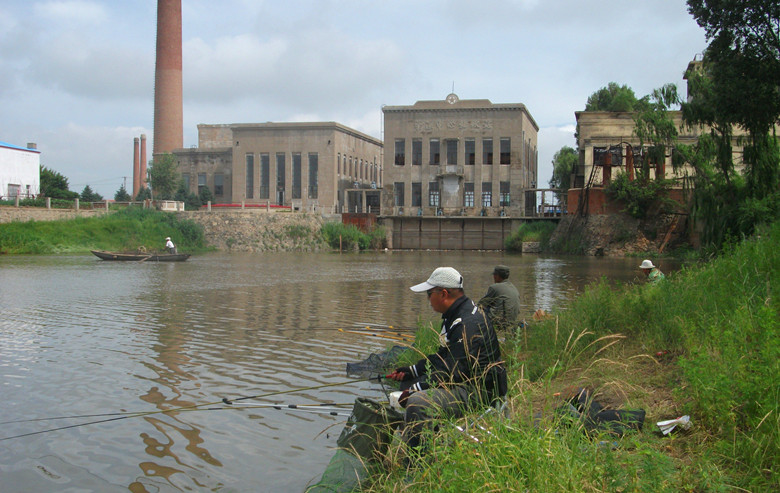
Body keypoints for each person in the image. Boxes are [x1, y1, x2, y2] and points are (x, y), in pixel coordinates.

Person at [387, 267, 507, 451]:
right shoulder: (455, 314)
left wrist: (415, 390)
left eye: (429, 294)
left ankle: (420, 463)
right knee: (409, 384)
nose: (428, 299)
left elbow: (452, 372)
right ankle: (425, 435)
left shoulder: (467, 323)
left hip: (480, 390)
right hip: (463, 378)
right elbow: (443, 357)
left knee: (418, 403)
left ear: (443, 294)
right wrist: (411, 371)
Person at [478, 265, 521, 331]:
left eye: (494, 275)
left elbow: (481, 304)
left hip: (501, 322)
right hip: (512, 321)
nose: (493, 277)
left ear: (497, 276)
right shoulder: (513, 287)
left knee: (479, 310)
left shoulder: (494, 287)